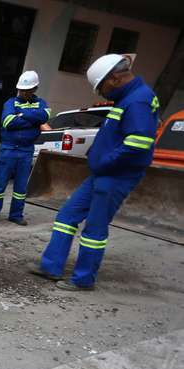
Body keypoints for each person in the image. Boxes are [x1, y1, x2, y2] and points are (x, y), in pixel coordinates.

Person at [30, 54, 158, 291]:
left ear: (115, 77)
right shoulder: (127, 98)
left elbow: (139, 143)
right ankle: (51, 266)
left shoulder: (138, 100)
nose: (100, 93)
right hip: (102, 174)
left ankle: (83, 279)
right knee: (67, 216)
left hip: (116, 175)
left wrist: (105, 162)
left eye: (101, 87)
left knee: (94, 229)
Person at [0, 71, 50, 226]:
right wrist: (33, 119)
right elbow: (8, 122)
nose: (23, 93)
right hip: (9, 149)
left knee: (20, 187)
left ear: (34, 89)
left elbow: (44, 117)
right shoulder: (10, 103)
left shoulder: (41, 103)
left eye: (27, 90)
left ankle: (16, 214)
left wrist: (22, 114)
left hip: (26, 151)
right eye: (21, 90)